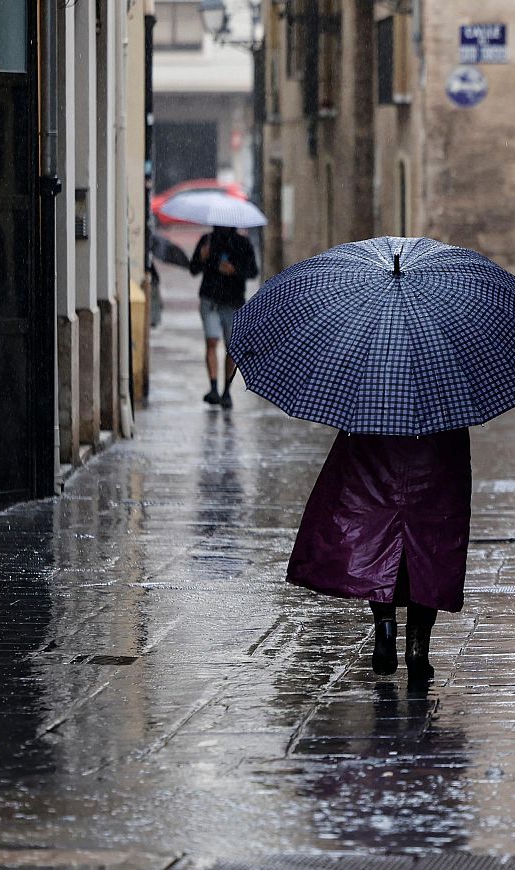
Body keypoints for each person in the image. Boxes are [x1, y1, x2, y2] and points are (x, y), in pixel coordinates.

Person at [286, 428, 471, 684]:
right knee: (430, 554)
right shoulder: (447, 398)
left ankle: (385, 624)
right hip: (435, 458)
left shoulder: (369, 401)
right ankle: (417, 650)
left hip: (375, 455)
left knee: (379, 542)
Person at [189, 225, 258, 409]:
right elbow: (193, 268)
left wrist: (234, 270)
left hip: (233, 302)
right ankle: (213, 387)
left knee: (231, 348)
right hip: (210, 299)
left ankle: (226, 390)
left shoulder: (242, 243)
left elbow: (253, 271)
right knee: (211, 341)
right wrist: (202, 258)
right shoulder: (208, 240)